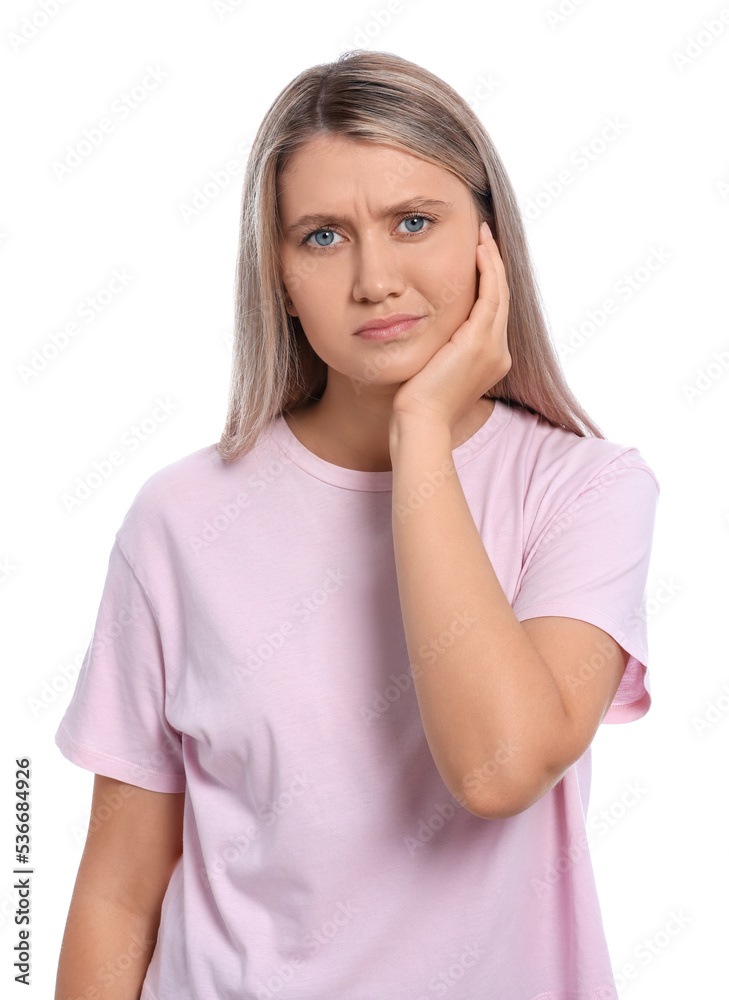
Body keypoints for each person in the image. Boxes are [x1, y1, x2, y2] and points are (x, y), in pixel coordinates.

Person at [54, 49, 660, 1000]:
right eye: (323, 237)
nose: (375, 278)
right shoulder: (179, 521)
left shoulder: (586, 492)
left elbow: (498, 768)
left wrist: (419, 430)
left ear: (487, 241)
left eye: (413, 222)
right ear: (280, 276)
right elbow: (120, 893)